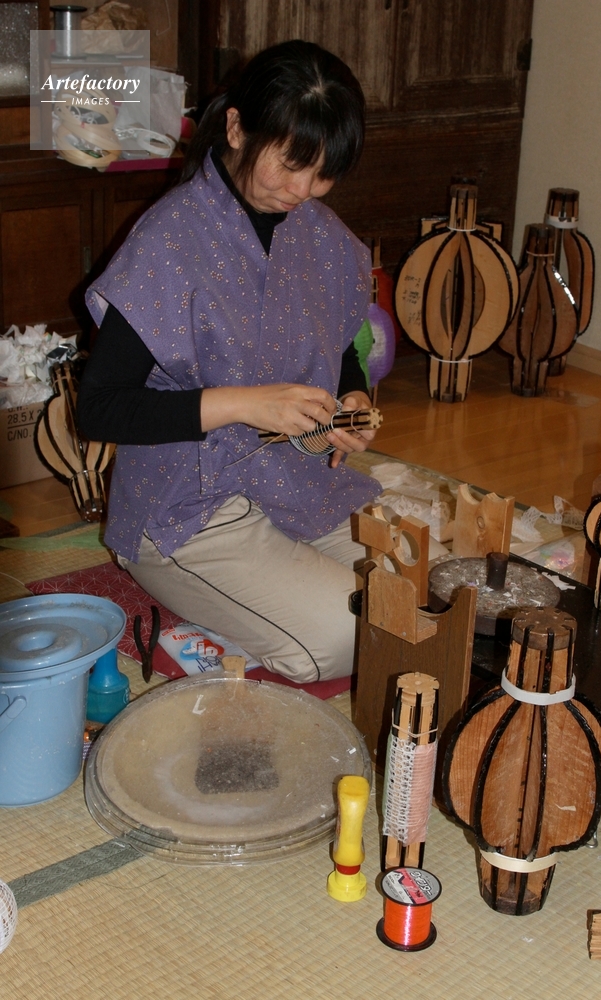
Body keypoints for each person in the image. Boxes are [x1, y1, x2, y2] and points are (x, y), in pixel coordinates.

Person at [78, 40, 382, 683]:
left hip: (290, 478)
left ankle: (259, 602)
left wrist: (352, 400)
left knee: (412, 588)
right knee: (351, 632)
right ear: (238, 128)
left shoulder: (320, 233)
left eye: (323, 173)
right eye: (291, 164)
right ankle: (209, 623)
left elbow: (339, 347)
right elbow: (99, 408)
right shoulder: (169, 239)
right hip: (185, 503)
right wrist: (248, 404)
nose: (303, 190)